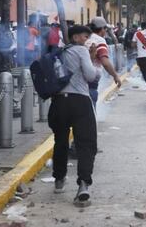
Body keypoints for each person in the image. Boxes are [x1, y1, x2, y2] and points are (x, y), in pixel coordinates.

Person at [49, 25, 101, 204]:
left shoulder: (60, 52)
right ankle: (83, 184)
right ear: (77, 37)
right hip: (79, 101)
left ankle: (59, 179)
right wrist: (94, 62)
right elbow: (89, 75)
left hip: (58, 103)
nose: (88, 40)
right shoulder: (80, 50)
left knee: (60, 141)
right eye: (86, 36)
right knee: (86, 143)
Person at [86, 17, 122, 108]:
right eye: (105, 29)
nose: (106, 31)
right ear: (101, 29)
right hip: (91, 77)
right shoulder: (100, 41)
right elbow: (105, 62)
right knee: (91, 100)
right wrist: (115, 75)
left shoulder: (86, 38)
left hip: (81, 77)